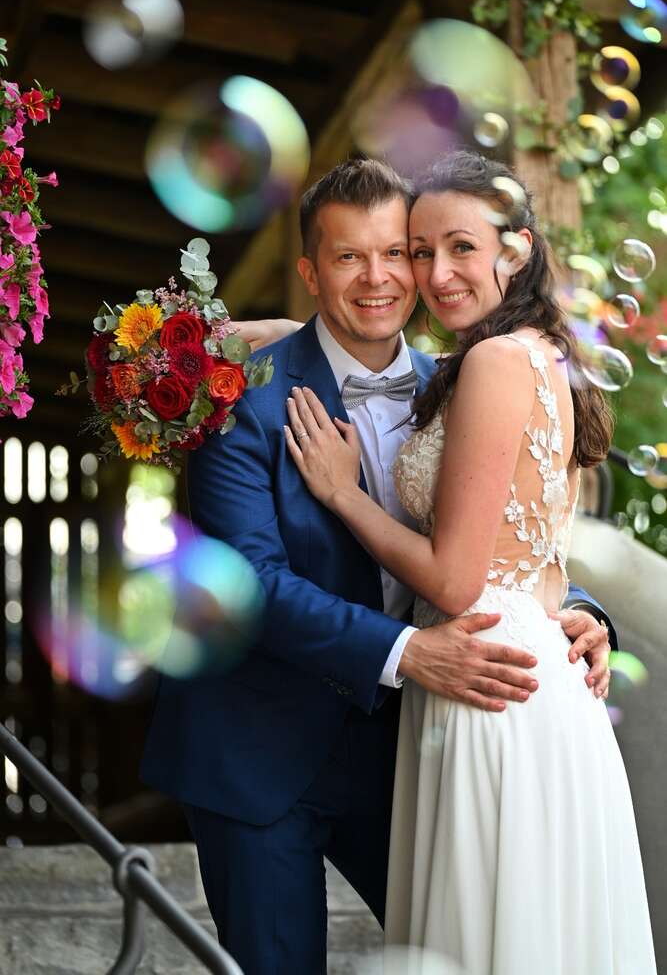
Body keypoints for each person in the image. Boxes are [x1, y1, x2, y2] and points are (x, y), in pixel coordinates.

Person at [141, 157, 614, 975]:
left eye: (397, 252)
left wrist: (577, 610)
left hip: (412, 752)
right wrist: (406, 654)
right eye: (347, 257)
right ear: (309, 272)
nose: (380, 278)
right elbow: (246, 586)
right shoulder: (241, 401)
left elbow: (501, 532)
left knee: (476, 954)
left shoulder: (461, 382)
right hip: (259, 751)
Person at [282, 151, 656, 973]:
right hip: (524, 663)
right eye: (420, 251)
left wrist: (345, 494)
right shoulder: (531, 356)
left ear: (515, 250)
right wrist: (271, 334)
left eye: (459, 247)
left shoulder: (488, 363)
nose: (434, 272)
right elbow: (540, 564)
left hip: (485, 681)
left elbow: (453, 580)